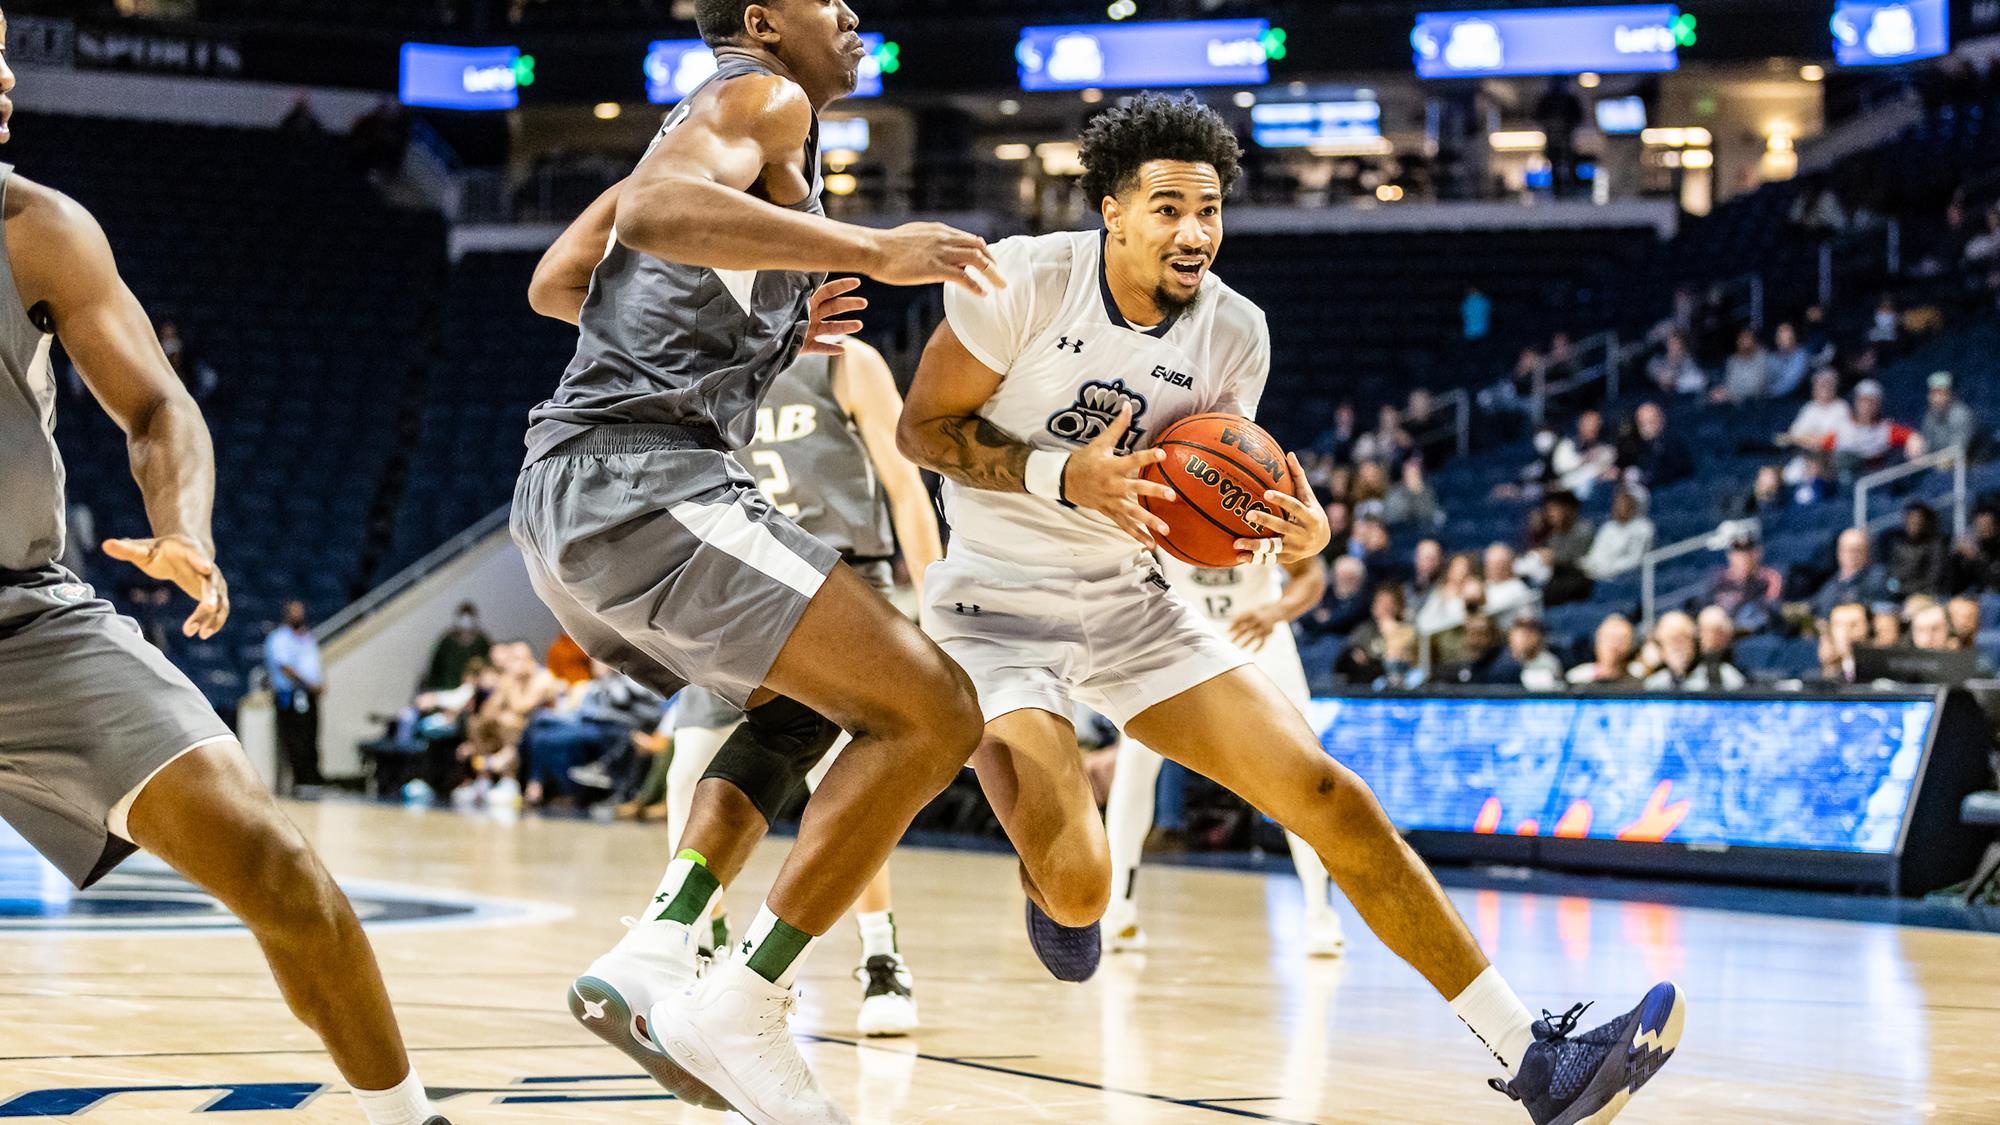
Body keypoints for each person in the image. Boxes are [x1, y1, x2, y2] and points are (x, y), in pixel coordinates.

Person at [896, 92, 1681, 1123]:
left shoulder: (1234, 332)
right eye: (1168, 209)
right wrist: (1061, 476)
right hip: (993, 603)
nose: (1194, 232)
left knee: (1326, 792)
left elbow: (1210, 499)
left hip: (1130, 599)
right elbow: (921, 430)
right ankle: (1049, 867)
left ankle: (1533, 1057)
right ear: (1111, 212)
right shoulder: (1024, 278)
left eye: (1210, 210)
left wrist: (1289, 534)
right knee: (1083, 885)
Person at [509, 2, 1003, 1115]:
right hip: (646, 480)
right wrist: (874, 249)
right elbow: (652, 212)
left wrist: (760, 322)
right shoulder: (764, 95)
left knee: (806, 707)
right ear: (763, 21)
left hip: (575, 491)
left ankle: (661, 942)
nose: (854, 14)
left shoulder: (703, 120)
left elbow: (557, 281)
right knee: (935, 714)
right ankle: (744, 1000)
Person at [0, 35, 448, 1121]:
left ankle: (409, 1118)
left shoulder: (36, 228)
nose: (4, 78)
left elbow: (159, 406)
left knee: (273, 862)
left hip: (26, 620)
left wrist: (182, 528)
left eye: (4, 54)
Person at [1104, 551, 1346, 958]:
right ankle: (1116, 912)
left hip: (1259, 631)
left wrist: (1278, 610)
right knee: (1135, 758)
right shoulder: (1156, 508)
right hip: (1182, 632)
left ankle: (1321, 914)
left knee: (1303, 771)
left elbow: (1311, 572)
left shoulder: (1267, 507)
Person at [265, 600, 325, 794]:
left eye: (301, 612)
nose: (299, 615)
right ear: (287, 614)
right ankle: (300, 780)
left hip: (309, 696)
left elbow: (314, 665)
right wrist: (308, 683)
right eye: (295, 612)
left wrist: (319, 683)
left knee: (311, 737)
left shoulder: (307, 638)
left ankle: (312, 779)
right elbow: (284, 666)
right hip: (290, 696)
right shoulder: (279, 638)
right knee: (295, 739)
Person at [1824, 379, 1918, 480]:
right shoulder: (1843, 429)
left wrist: (1914, 443)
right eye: (1863, 400)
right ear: (1856, 402)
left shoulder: (1885, 430)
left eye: (1871, 401)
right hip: (1845, 479)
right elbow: (1823, 445)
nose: (1866, 406)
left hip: (1874, 479)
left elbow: (1911, 436)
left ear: (1879, 404)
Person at [1643, 611, 1745, 690]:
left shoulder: (1724, 675)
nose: (1677, 647)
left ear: (1695, 643)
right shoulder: (1654, 684)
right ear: (1661, 649)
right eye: (1671, 641)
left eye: (1683, 639)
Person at [1707, 534, 1784, 634]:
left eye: (1748, 551)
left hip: (1755, 631)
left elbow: (1770, 607)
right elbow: (1706, 605)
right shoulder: (1719, 579)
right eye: (1738, 552)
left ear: (1758, 553)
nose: (1744, 557)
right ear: (1730, 556)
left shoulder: (1769, 578)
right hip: (1722, 631)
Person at [1810, 528, 1891, 620]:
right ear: (1839, 552)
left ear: (1867, 552)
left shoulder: (1877, 577)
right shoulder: (1830, 586)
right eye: (1846, 550)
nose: (1851, 555)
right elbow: (1817, 606)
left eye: (1857, 550)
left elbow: (1882, 606)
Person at [1580, 488, 1654, 581]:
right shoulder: (1608, 527)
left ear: (1634, 506)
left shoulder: (1643, 528)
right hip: (1599, 574)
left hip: (1625, 578)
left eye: (1623, 503)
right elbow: (1595, 555)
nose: (1616, 507)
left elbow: (1635, 561)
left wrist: (1606, 570)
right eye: (1616, 503)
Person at [1616, 402, 1695, 489]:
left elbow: (1667, 474)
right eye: (1642, 423)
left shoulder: (1673, 445)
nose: (1647, 427)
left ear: (1661, 420)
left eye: (1651, 421)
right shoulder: (1634, 444)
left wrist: (1640, 478)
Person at [420, 600, 491, 692]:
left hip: (473, 690)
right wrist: (431, 688)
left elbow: (488, 664)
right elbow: (435, 667)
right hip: (446, 688)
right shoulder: (447, 641)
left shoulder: (481, 641)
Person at [1881, 501, 1946, 598]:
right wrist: (1893, 587)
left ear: (1924, 521)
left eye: (1917, 519)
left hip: (1923, 595)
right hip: (1896, 594)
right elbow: (1890, 572)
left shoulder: (1934, 545)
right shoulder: (1896, 542)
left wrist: (1904, 590)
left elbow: (1933, 578)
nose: (1913, 522)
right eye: (1909, 518)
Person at [1567, 613, 1639, 685]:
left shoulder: (1638, 677)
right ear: (1597, 640)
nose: (1613, 646)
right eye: (1609, 638)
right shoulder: (1577, 678)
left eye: (1621, 640)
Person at [1919, 371, 1976, 456]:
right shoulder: (1930, 416)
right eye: (1933, 393)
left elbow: (1957, 452)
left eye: (1940, 393)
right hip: (1937, 461)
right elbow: (1926, 448)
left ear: (1950, 394)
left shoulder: (1961, 415)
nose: (1936, 398)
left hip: (1965, 462)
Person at [1948, 506, 2000, 593]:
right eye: (1979, 526)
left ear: (1997, 527)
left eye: (1987, 526)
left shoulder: (1993, 550)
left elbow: (1993, 582)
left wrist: (1976, 558)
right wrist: (1955, 555)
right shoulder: (1976, 546)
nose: (1982, 530)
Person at [1482, 542, 1534, 627]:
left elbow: (1488, 611)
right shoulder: (1483, 586)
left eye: (1501, 563)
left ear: (1510, 564)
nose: (1497, 567)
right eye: (1492, 563)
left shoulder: (1518, 588)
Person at [1818, 602, 1871, 683]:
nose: (1846, 631)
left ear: (1868, 627)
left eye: (1854, 624)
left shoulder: (1884, 668)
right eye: (1839, 625)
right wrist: (1829, 667)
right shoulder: (1811, 674)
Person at [1712, 328, 1770, 403]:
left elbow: (1758, 387)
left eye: (1747, 338)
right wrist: (1721, 391)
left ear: (1754, 341)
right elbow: (1730, 384)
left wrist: (1730, 394)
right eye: (1741, 339)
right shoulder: (1732, 360)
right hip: (1734, 401)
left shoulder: (1763, 357)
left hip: (1755, 401)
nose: (1744, 342)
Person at [1766, 322, 1810, 398]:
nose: (1784, 341)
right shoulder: (1772, 357)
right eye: (1781, 337)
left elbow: (1790, 384)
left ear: (1794, 338)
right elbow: (1765, 379)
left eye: (1788, 337)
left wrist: (1768, 393)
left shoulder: (1801, 355)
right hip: (1771, 399)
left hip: (1793, 399)